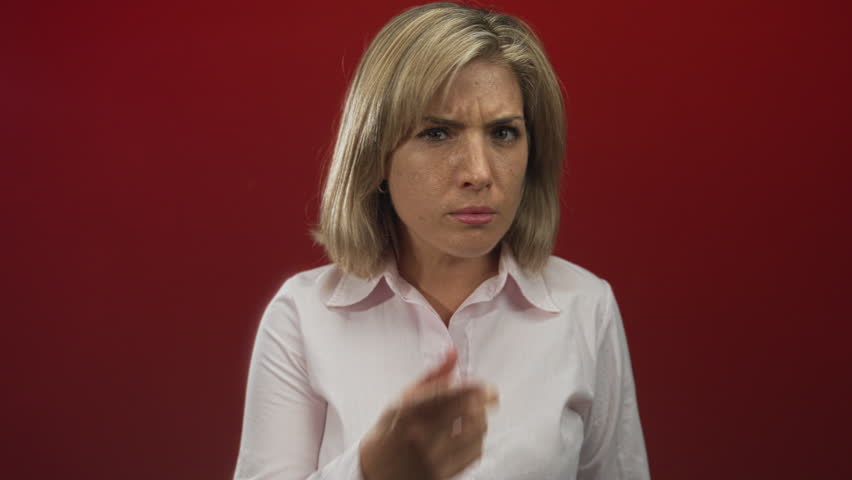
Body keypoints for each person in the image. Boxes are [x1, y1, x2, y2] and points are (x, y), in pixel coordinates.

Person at [233, 2, 650, 479]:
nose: (479, 172)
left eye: (503, 132)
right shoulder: (304, 317)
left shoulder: (585, 306)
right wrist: (371, 472)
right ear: (376, 156)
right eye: (437, 132)